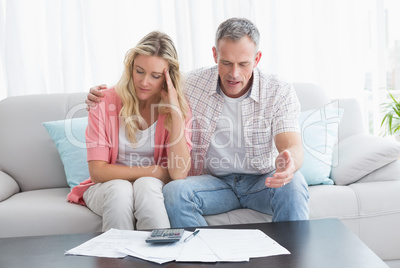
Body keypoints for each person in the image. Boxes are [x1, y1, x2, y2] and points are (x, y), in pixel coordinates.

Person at [86, 18, 309, 228]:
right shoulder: (191, 84)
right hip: (213, 183)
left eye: (243, 64)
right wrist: (98, 96)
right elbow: (149, 82)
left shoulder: (279, 90)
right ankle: (200, 255)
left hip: (262, 181)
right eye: (226, 62)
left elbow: (292, 145)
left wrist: (289, 162)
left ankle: (290, 259)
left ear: (257, 59)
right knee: (175, 191)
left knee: (294, 183)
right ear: (214, 55)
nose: (234, 73)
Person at [68, 31, 192, 231]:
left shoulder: (178, 108)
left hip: (150, 186)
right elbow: (98, 171)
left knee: (147, 186)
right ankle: (117, 260)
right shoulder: (103, 101)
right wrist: (154, 171)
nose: (144, 82)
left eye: (156, 76)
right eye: (140, 71)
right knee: (121, 189)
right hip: (106, 187)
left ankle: (159, 258)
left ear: (168, 78)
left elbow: (177, 173)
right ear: (130, 67)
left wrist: (175, 113)